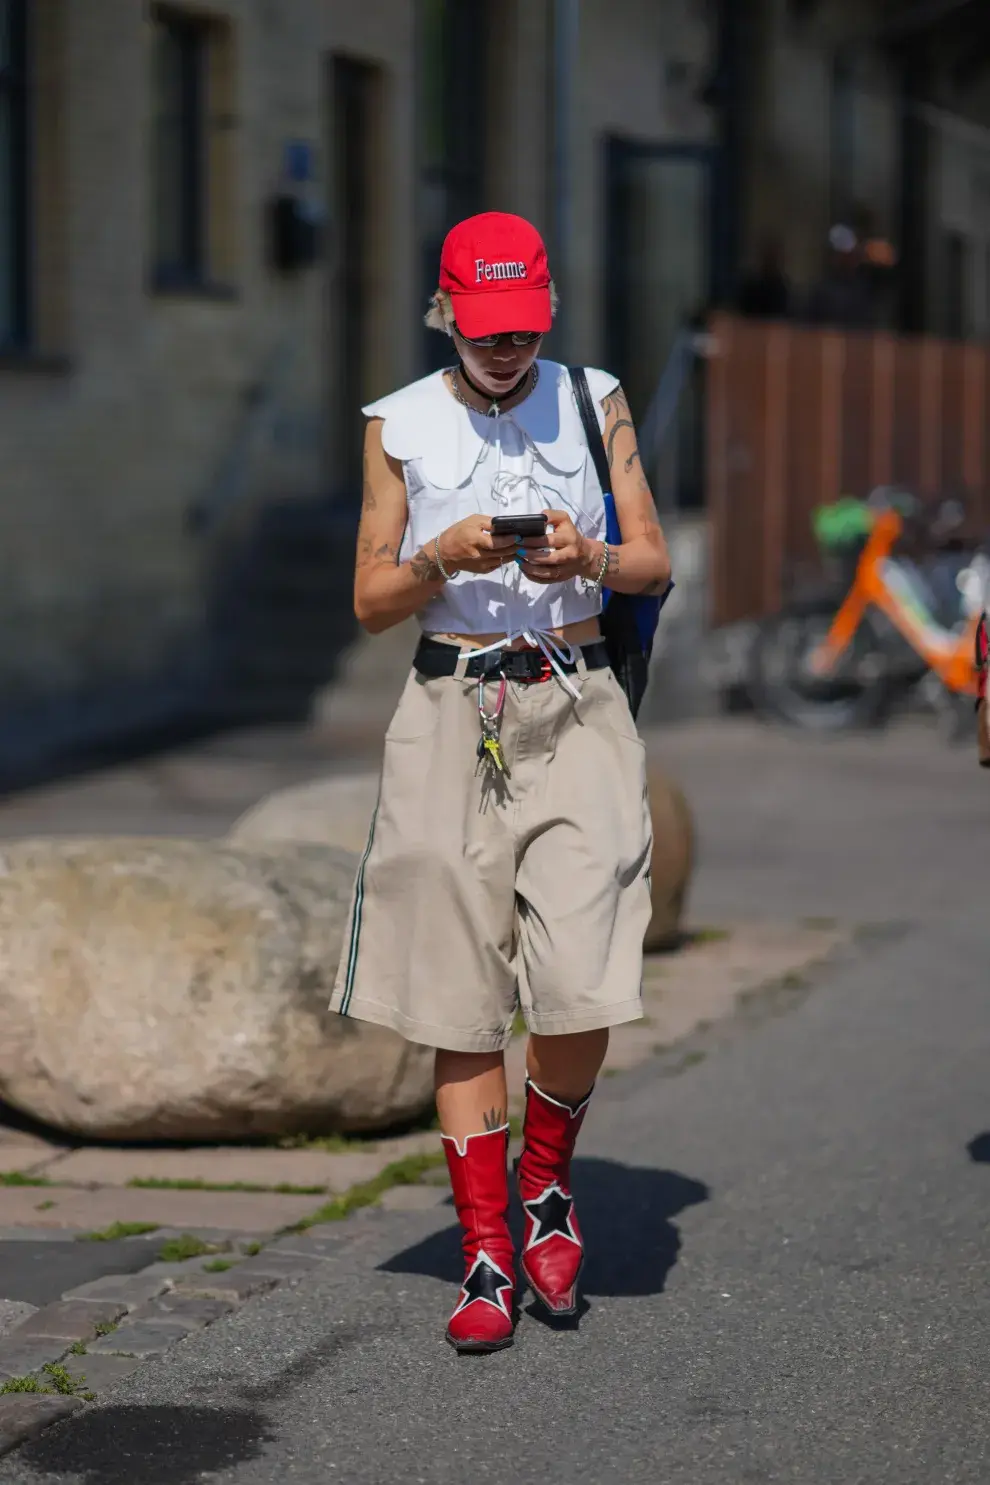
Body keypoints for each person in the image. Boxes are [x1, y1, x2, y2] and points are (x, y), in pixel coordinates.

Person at [328, 211, 671, 1353]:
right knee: (458, 987)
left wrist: (592, 558)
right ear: (447, 312)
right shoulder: (398, 424)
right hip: (448, 708)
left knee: (585, 969)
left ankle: (547, 1185)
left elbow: (656, 562)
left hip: (578, 703)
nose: (508, 351)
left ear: (551, 308)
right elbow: (372, 602)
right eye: (488, 332)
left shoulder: (595, 396)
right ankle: (485, 1250)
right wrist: (438, 557)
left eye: (525, 329)